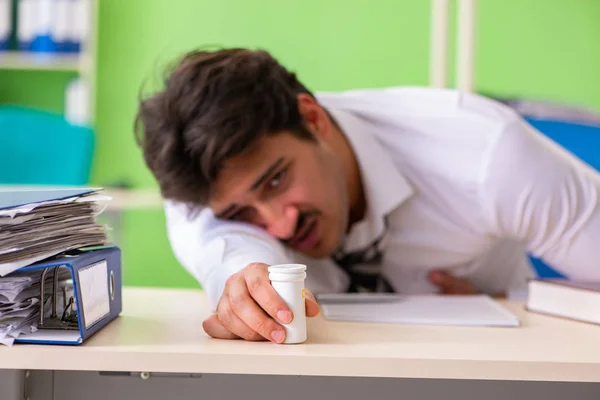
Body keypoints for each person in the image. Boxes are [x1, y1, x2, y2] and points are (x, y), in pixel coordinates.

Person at [135, 48, 600, 344]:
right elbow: (223, 246)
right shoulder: (201, 192)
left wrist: (513, 300)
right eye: (242, 212)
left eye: (275, 180)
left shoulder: (487, 155)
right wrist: (241, 286)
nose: (280, 226)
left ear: (313, 119)